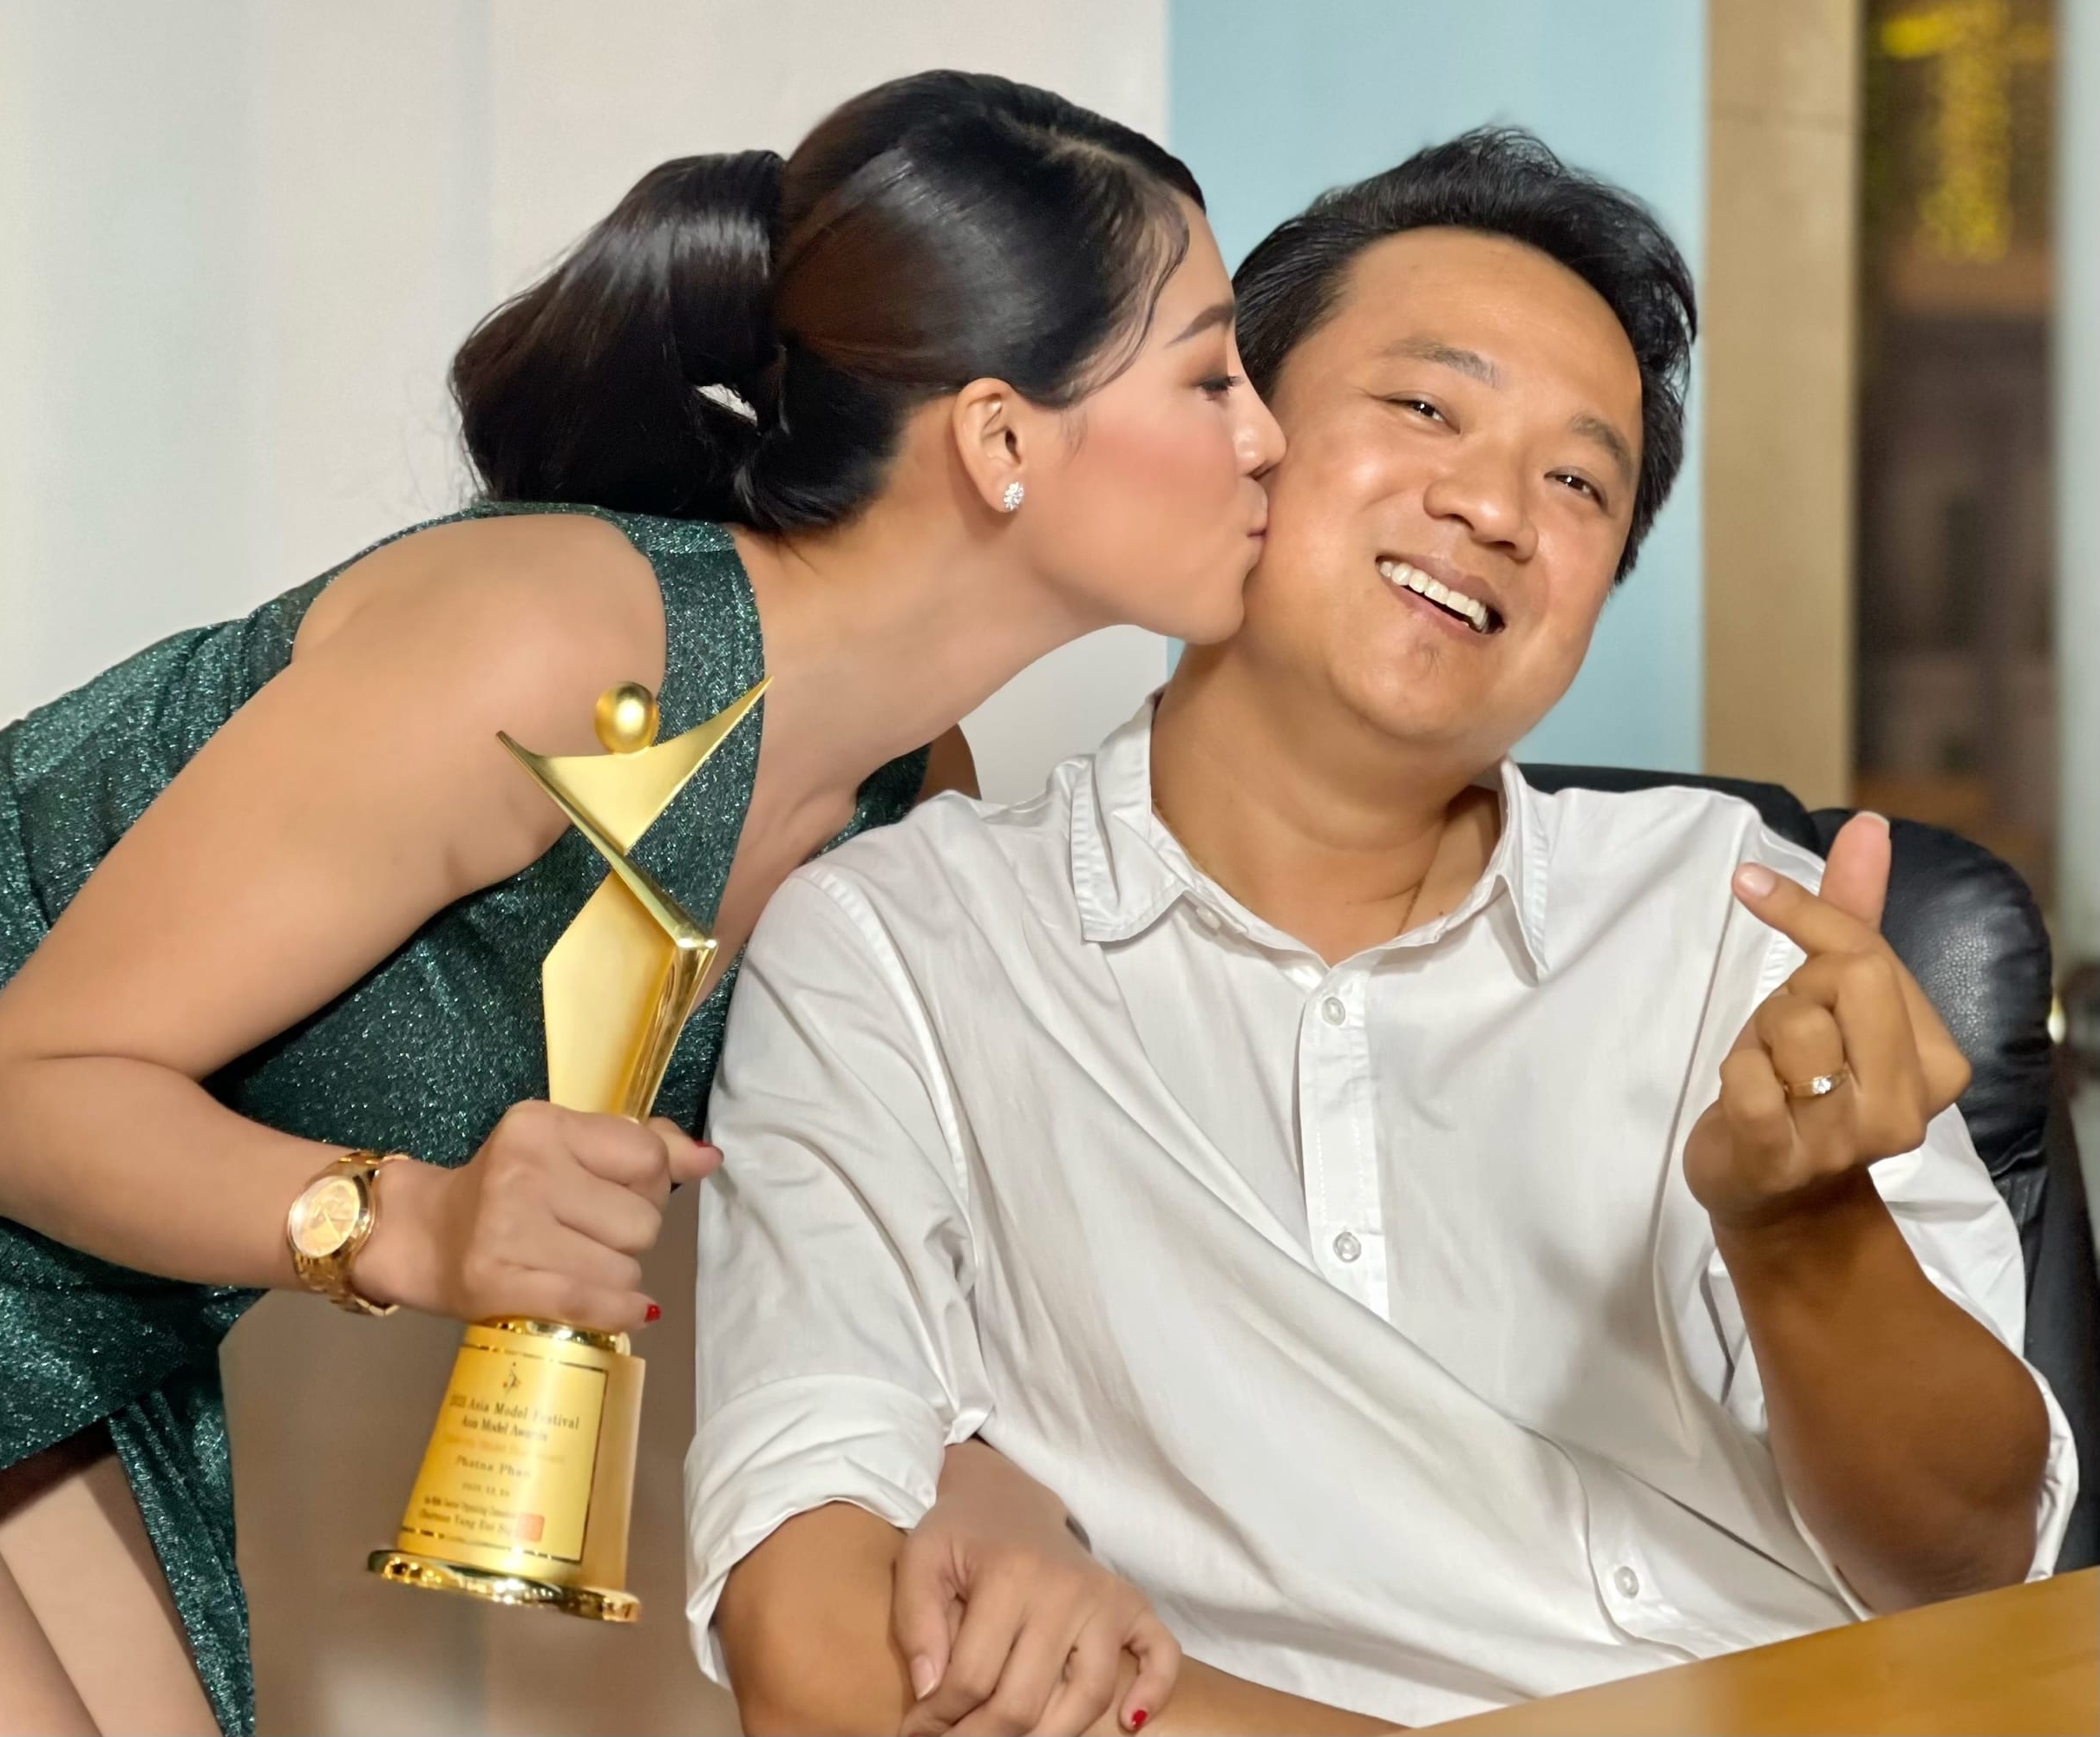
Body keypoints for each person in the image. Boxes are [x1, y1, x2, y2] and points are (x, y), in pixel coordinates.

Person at [687, 129, 2078, 1734]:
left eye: (1579, 481)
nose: (1493, 506)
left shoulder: (1738, 910)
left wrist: (1802, 1230)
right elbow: (817, 1656)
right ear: (1238, 440)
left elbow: (1972, 1566)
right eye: (1425, 407)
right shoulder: (903, 950)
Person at [0, 69, 1283, 1737]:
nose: (1269, 436)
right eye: (1213, 375)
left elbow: (877, 1260)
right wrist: (413, 1226)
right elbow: (22, 1085)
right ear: (1002, 439)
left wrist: (993, 1485)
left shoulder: (903, 801)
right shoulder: (552, 643)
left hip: (78, 1320)